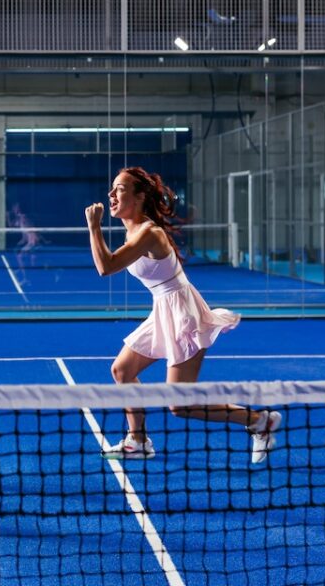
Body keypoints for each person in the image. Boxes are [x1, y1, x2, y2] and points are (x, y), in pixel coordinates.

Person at [84, 167, 281, 464]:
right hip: (163, 309)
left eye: (120, 188)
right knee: (122, 371)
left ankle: (258, 420)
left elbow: (105, 267)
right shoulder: (133, 229)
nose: (111, 194)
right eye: (112, 188)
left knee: (179, 405)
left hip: (183, 314)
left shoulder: (150, 233)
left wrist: (94, 227)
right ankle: (137, 441)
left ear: (139, 197)